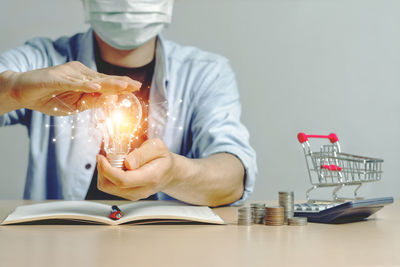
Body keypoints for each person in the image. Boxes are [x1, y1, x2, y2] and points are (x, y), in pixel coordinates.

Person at [0, 0, 256, 206]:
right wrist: (14, 91)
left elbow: (233, 179)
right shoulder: (44, 61)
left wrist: (173, 173)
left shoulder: (206, 73)